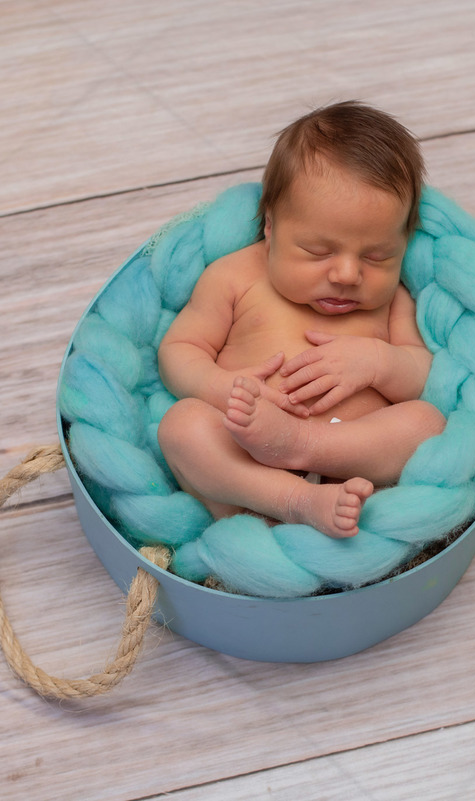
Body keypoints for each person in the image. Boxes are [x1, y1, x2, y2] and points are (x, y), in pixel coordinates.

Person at [157, 101, 445, 538]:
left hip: (349, 465)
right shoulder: (235, 275)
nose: (347, 274)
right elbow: (179, 350)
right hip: (245, 462)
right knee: (182, 426)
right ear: (271, 228)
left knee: (427, 423)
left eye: (378, 256)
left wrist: (377, 362)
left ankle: (303, 448)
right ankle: (287, 504)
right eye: (317, 251)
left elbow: (421, 375)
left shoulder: (393, 300)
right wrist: (221, 387)